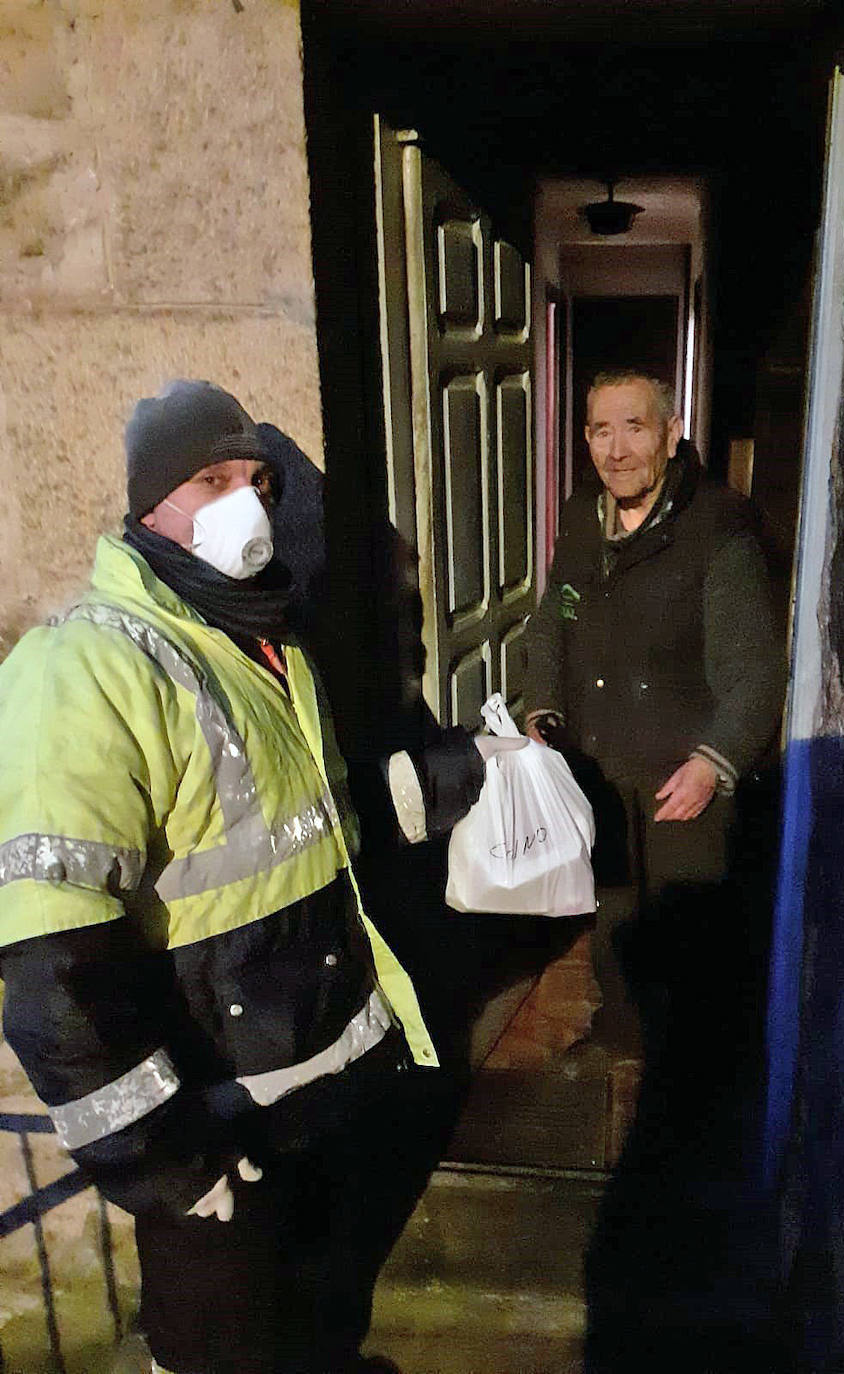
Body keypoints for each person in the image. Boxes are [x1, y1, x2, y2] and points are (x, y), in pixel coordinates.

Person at [0, 381, 514, 1374]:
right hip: (220, 1143)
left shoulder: (269, 646)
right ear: (149, 503)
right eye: (211, 479)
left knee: (319, 1337)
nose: (246, 503)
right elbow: (53, 963)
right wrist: (168, 1169)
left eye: (260, 483)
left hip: (325, 1110)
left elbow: (321, 823)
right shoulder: (89, 671)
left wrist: (472, 775)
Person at [522, 369, 787, 1366]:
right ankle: (629, 1063)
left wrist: (716, 758)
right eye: (597, 430)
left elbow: (755, 665)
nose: (615, 447)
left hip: (678, 782)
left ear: (670, 433)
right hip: (602, 772)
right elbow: (549, 621)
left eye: (634, 427)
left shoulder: (716, 528)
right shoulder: (582, 525)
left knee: (687, 946)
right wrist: (541, 709)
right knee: (616, 926)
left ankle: (679, 1125)